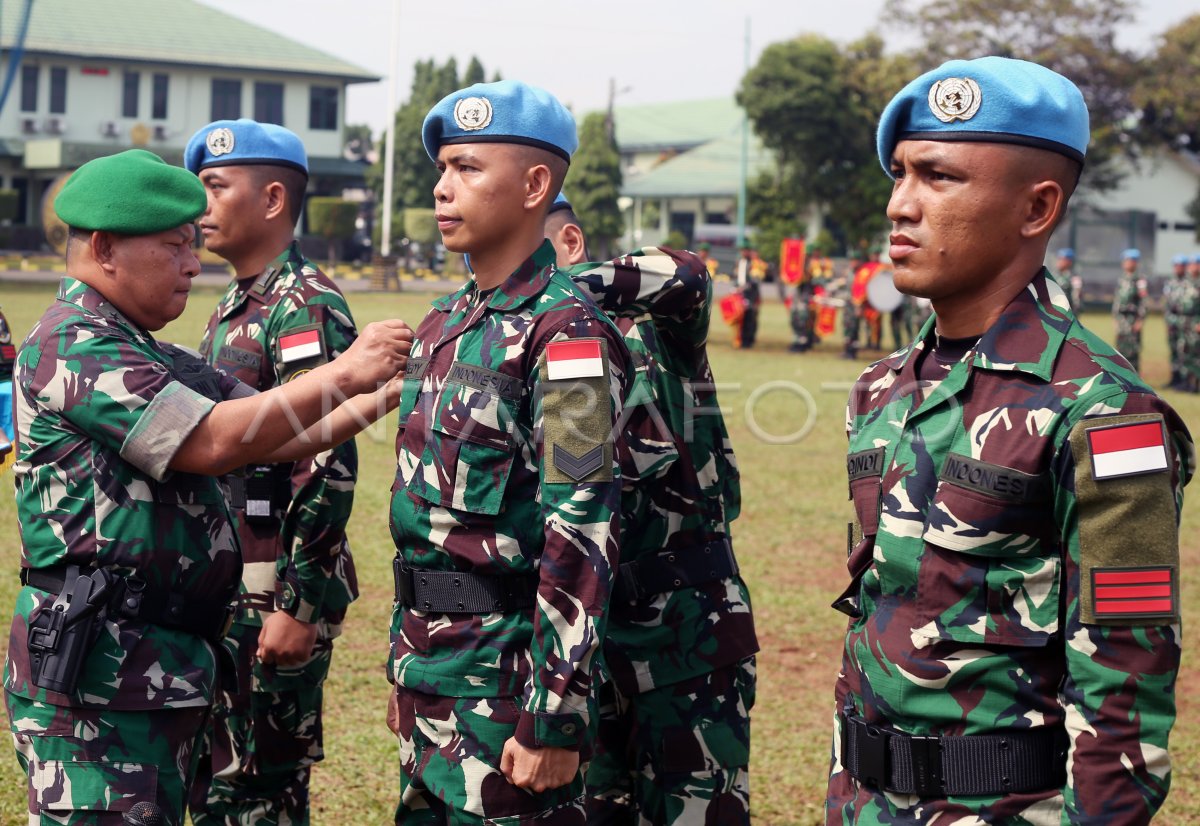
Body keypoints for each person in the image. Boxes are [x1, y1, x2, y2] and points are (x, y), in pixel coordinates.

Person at [827, 57, 1192, 823]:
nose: (901, 205)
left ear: (1036, 208)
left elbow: (1125, 690)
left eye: (939, 178)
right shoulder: (883, 388)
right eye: (899, 175)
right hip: (863, 801)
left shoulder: (1106, 414)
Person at [4, 149, 412, 826]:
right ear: (104, 248)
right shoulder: (75, 344)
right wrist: (349, 368)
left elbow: (276, 434)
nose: (194, 265)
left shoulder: (145, 349)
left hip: (155, 667)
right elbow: (213, 440)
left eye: (194, 246)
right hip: (99, 678)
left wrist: (393, 384)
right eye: (174, 247)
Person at [386, 80, 635, 825]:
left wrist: (553, 714)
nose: (441, 188)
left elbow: (582, 524)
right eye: (442, 169)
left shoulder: (569, 336)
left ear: (534, 186)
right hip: (426, 673)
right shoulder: (444, 324)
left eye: (467, 168)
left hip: (505, 691)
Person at [546, 195, 758, 824]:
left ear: (572, 244)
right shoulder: (535, 356)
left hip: (686, 640)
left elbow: (688, 273)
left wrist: (558, 296)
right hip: (585, 651)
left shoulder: (650, 329)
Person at [182, 119, 360, 824]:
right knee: (220, 780)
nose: (201, 205)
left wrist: (299, 604)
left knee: (259, 791)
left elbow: (326, 459)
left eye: (216, 187)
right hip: (231, 587)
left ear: (273, 198)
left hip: (272, 594)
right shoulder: (236, 303)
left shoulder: (303, 305)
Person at [1113, 247, 1148, 372]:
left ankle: (1134, 377)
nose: (1127, 263)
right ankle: (1123, 376)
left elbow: (1143, 302)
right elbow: (1117, 301)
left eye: (1130, 260)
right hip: (1121, 319)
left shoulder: (1139, 280)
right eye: (1125, 260)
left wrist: (1140, 320)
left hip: (1132, 318)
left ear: (1135, 263)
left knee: (1133, 349)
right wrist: (1115, 319)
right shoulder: (1122, 279)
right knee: (1120, 348)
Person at [1163, 254, 1189, 389]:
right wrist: (1167, 321)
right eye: (1176, 266)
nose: (1178, 268)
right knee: (1173, 350)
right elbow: (1167, 303)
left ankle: (1185, 380)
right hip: (1172, 321)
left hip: (1185, 321)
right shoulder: (1170, 283)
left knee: (1183, 350)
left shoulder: (1189, 283)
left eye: (1181, 266)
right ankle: (1174, 378)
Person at [1056, 246, 1084, 311]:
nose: (1058, 261)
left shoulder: (1074, 277)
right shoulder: (1054, 274)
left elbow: (1077, 294)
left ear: (1069, 261)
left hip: (1068, 311)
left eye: (1061, 259)